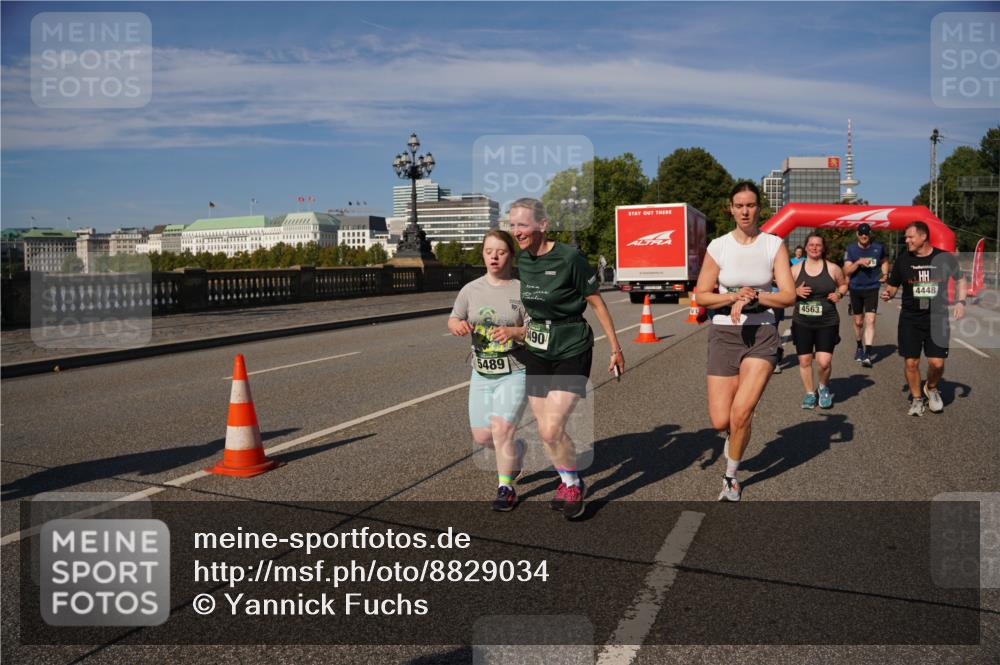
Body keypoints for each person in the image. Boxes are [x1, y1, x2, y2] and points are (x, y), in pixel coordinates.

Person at [508, 198, 624, 519]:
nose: (517, 231)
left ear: (543, 225)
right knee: (547, 429)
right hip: (538, 349)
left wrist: (615, 348)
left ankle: (572, 486)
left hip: (572, 345)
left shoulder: (570, 257)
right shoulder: (524, 259)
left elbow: (596, 303)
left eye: (523, 224)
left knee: (550, 429)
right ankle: (569, 479)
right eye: (513, 225)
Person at [694, 182, 796, 502]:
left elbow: (788, 295)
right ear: (731, 209)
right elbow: (702, 295)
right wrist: (732, 296)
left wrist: (756, 297)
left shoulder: (773, 244)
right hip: (724, 334)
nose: (745, 211)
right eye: (739, 206)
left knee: (741, 411)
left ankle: (731, 477)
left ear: (759, 208)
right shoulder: (719, 246)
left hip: (762, 333)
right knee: (720, 420)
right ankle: (735, 431)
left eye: (750, 205)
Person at [448, 230, 528, 511]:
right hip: (481, 372)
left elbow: (535, 329)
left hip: (515, 369)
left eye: (501, 252)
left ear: (511, 255)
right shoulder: (470, 290)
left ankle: (505, 487)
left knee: (502, 429)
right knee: (483, 437)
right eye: (489, 251)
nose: (494, 257)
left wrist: (513, 332)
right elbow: (454, 318)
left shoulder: (522, 289)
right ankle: (517, 451)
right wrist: (457, 326)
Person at [881, 221, 966, 415]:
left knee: (937, 363)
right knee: (911, 362)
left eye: (910, 237)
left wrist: (961, 302)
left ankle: (931, 387)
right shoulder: (903, 260)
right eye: (906, 237)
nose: (906, 240)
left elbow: (960, 279)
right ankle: (917, 399)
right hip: (910, 318)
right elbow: (893, 286)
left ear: (923, 237)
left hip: (937, 317)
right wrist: (888, 294)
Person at [791, 233, 848, 409]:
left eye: (818, 245)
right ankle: (810, 393)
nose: (814, 247)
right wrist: (795, 291)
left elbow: (843, 284)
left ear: (823, 248)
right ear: (806, 247)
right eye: (811, 244)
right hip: (802, 322)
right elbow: (784, 291)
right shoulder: (795, 269)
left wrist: (839, 294)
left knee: (824, 362)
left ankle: (823, 387)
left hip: (827, 321)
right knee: (805, 360)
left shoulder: (832, 268)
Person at [844, 222, 889, 367]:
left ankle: (867, 354)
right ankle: (859, 346)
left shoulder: (878, 248)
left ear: (870, 234)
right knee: (859, 322)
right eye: (861, 233)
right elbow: (847, 271)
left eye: (866, 233)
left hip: (872, 287)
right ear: (857, 234)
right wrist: (858, 262)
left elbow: (884, 261)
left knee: (870, 320)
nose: (864, 236)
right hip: (855, 288)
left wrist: (885, 274)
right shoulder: (851, 249)